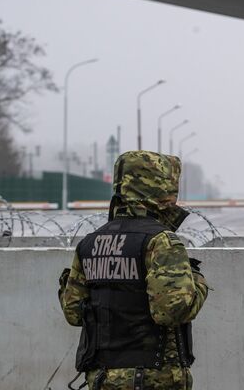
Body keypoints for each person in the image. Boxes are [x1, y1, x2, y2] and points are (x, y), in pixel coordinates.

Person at [58, 151, 209, 390]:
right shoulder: (161, 241)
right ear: (162, 189)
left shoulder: (90, 242)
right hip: (152, 379)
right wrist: (198, 282)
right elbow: (172, 312)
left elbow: (74, 313)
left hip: (102, 378)